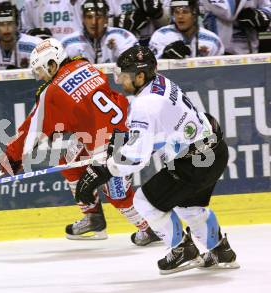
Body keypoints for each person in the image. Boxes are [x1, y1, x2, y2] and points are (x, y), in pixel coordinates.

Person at [73, 45, 240, 274]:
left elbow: (137, 159)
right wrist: (120, 146)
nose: (120, 80)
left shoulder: (144, 105)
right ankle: (220, 250)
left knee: (143, 202)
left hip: (194, 163)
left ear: (140, 76)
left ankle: (182, 249)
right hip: (214, 152)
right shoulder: (159, 82)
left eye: (125, 75)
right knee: (188, 207)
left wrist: (103, 170)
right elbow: (157, 135)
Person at [0, 37, 160, 245]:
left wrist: (10, 159)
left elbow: (32, 130)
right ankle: (93, 218)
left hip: (115, 142)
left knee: (118, 195)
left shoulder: (52, 92)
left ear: (52, 64)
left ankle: (150, 228)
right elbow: (79, 110)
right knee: (70, 164)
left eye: (40, 70)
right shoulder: (84, 64)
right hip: (115, 126)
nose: (39, 77)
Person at [61, 0, 138, 64]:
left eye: (98, 16)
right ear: (83, 20)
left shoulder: (123, 37)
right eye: (89, 17)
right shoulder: (68, 43)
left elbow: (135, 66)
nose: (94, 22)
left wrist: (117, 51)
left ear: (106, 19)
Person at [149, 0, 224, 59]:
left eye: (185, 12)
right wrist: (164, 57)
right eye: (177, 12)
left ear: (195, 15)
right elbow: (151, 68)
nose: (180, 16)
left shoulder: (213, 40)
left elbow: (220, 73)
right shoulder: (161, 36)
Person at [202, 0, 271, 54]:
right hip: (220, 51)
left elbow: (268, 6)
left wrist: (262, 14)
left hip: (251, 50)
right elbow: (227, 13)